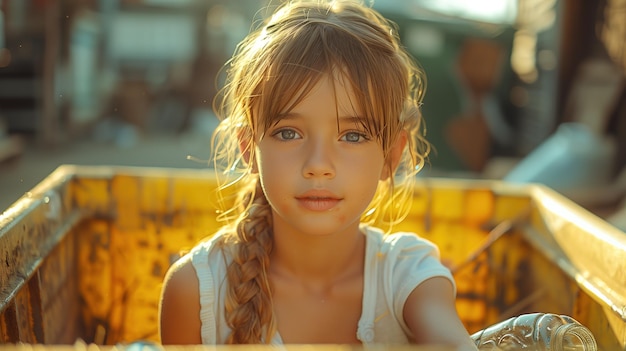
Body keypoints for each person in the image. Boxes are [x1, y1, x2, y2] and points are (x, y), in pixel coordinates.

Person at [159, 0, 477, 349]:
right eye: (288, 133)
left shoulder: (409, 277)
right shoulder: (196, 291)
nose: (319, 164)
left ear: (391, 155)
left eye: (352, 136)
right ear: (250, 148)